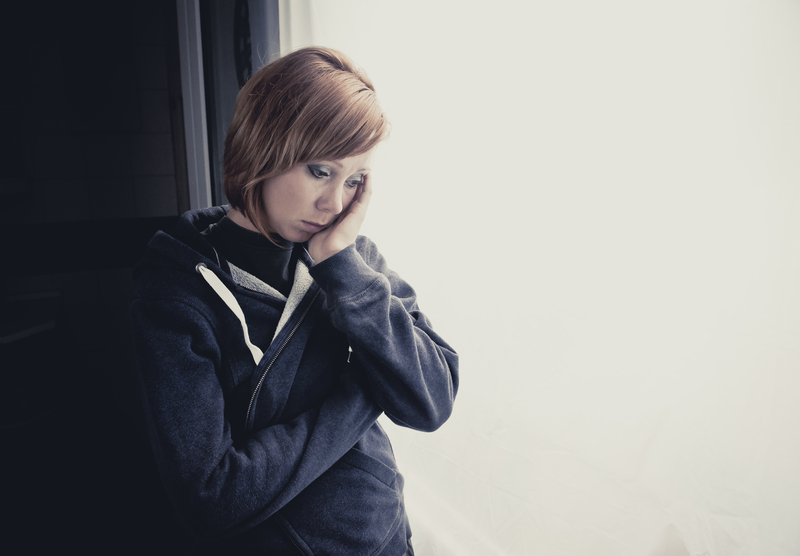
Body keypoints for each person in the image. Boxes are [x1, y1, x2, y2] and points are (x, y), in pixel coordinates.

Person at [130, 46, 459, 555]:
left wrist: (344, 272)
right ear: (264, 148)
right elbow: (210, 499)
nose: (332, 204)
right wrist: (362, 393)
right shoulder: (177, 294)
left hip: (390, 541)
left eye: (353, 181)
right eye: (319, 170)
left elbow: (431, 401)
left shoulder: (351, 262)